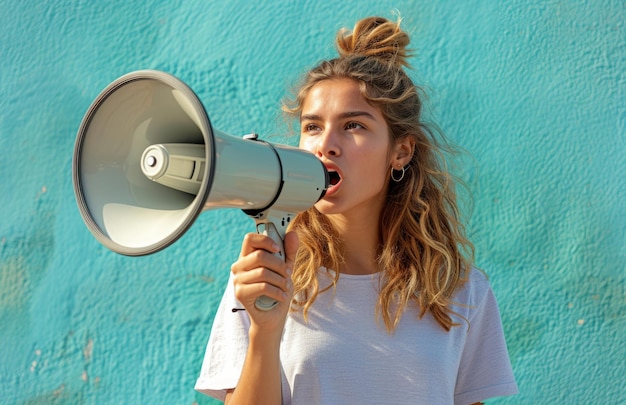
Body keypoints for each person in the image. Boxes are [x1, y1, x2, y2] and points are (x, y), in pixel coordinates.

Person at [195, 15, 518, 404]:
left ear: (401, 151)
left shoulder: (460, 290)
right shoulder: (264, 279)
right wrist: (264, 330)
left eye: (353, 126)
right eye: (312, 127)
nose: (326, 145)